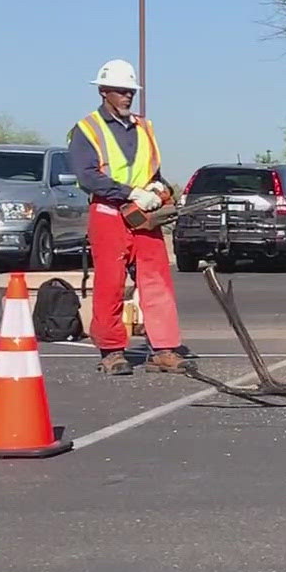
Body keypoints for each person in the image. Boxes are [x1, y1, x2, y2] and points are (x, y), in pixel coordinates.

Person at [65, 59, 187, 376]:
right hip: (108, 213)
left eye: (130, 91)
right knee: (111, 284)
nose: (127, 96)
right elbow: (87, 176)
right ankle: (112, 351)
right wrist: (130, 193)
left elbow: (153, 170)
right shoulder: (87, 129)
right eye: (121, 91)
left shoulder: (145, 127)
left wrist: (158, 189)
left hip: (143, 216)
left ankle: (164, 349)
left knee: (157, 282)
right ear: (104, 92)